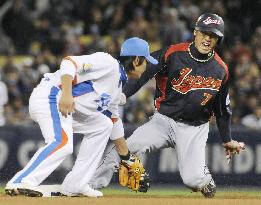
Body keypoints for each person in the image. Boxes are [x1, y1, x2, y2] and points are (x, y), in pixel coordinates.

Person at [89, 13, 245, 198]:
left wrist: (227, 139)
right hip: (162, 122)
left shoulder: (221, 70)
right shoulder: (173, 53)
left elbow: (222, 110)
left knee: (192, 180)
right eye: (204, 33)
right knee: (122, 149)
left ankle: (203, 179)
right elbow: (143, 73)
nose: (208, 39)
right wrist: (124, 94)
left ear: (218, 40)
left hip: (194, 129)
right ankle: (89, 185)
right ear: (195, 32)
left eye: (213, 36)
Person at [5, 37, 158, 197]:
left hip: (66, 106)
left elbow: (114, 121)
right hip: (51, 95)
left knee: (103, 125)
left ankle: (76, 185)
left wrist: (127, 158)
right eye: (146, 61)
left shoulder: (116, 86)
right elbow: (69, 62)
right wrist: (66, 93)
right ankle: (21, 181)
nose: (147, 66)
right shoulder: (108, 63)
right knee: (63, 143)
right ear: (136, 60)